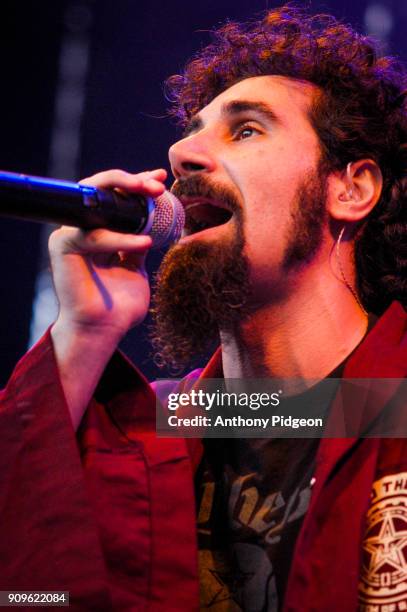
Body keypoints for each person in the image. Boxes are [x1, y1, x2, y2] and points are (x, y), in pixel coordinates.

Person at [0, 5, 406, 611]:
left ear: (350, 190)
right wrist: (81, 336)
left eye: (245, 130)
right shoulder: (153, 429)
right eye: (190, 133)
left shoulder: (394, 404)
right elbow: (26, 594)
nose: (182, 154)